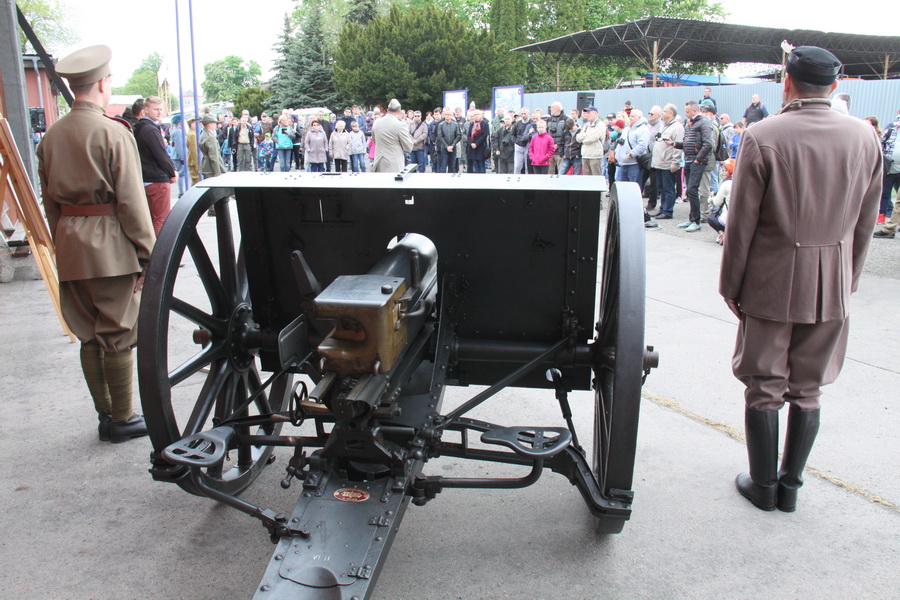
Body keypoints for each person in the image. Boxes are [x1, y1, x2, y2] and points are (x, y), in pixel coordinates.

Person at [720, 46, 882, 513]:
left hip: (771, 279)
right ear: (834, 87)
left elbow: (741, 224)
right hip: (832, 276)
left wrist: (732, 286)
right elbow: (866, 222)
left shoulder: (764, 134)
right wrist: (847, 278)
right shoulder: (864, 137)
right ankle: (790, 488)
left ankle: (764, 485)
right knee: (808, 385)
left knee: (764, 384)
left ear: (786, 83)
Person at [36, 45, 156, 443]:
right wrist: (149, 252)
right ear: (104, 82)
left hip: (70, 242)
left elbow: (50, 203)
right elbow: (131, 203)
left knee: (88, 332)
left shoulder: (51, 136)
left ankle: (105, 415)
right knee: (118, 331)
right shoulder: (111, 132)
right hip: (110, 248)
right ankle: (123, 418)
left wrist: (64, 242)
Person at [134, 95, 176, 236]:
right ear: (145, 110)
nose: (159, 112)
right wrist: (171, 172)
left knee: (153, 220)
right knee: (161, 220)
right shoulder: (150, 129)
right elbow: (161, 155)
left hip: (146, 177)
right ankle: (161, 255)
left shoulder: (140, 127)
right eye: (155, 109)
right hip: (157, 178)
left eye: (161, 109)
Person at [669, 100, 712, 232]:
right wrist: (675, 144)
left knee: (692, 190)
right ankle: (692, 218)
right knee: (690, 191)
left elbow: (708, 144)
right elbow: (687, 143)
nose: (685, 114)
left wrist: (698, 160)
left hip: (696, 161)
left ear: (695, 111)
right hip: (689, 160)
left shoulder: (703, 122)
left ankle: (696, 221)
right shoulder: (689, 124)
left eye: (687, 111)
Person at [650, 104, 684, 219]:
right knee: (661, 187)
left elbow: (677, 147)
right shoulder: (663, 126)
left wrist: (675, 162)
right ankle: (662, 208)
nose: (662, 113)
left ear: (671, 113)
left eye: (664, 111)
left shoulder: (677, 127)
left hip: (668, 163)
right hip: (659, 162)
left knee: (668, 188)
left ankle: (668, 211)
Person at [874, 115, 900, 238]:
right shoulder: (891, 131)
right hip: (890, 168)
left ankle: (890, 228)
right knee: (886, 193)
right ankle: (884, 219)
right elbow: (881, 146)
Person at [372, 99, 413, 173]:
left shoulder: (376, 123)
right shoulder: (401, 125)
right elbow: (408, 147)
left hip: (379, 162)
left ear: (387, 110)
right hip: (394, 164)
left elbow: (375, 141)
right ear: (399, 111)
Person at [707, 157, 734, 245]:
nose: (723, 172)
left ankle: (723, 234)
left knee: (711, 218)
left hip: (728, 220)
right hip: (744, 220)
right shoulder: (744, 181)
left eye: (725, 170)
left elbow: (717, 202)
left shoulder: (727, 183)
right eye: (722, 170)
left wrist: (711, 198)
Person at [576, 107, 606, 176]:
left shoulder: (600, 124)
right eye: (586, 113)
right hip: (585, 155)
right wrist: (585, 137)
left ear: (595, 113)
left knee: (596, 177)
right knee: (586, 178)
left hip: (595, 156)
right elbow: (578, 138)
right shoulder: (586, 125)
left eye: (589, 113)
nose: (587, 114)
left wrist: (584, 139)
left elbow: (593, 137)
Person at [199, 114, 226, 179]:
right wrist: (217, 171)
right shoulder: (210, 137)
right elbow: (214, 156)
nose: (215, 125)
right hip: (211, 168)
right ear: (209, 124)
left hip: (207, 166)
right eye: (214, 123)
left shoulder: (205, 134)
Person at [435, 108, 461, 173]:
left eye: (449, 114)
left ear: (451, 115)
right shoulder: (441, 125)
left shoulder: (455, 124)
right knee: (443, 165)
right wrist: (446, 146)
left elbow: (458, 136)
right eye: (446, 114)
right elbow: (440, 136)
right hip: (444, 147)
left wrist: (452, 145)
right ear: (444, 115)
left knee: (452, 165)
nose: (447, 116)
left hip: (453, 147)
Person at [169, 114, 186, 197]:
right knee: (181, 174)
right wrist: (183, 157)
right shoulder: (178, 132)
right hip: (178, 156)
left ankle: (181, 191)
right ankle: (181, 192)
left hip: (176, 155)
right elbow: (179, 145)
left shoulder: (174, 130)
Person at [185, 116, 200, 187]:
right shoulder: (192, 135)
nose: (199, 125)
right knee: (196, 181)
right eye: (196, 123)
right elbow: (193, 151)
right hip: (193, 161)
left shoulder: (193, 133)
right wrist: (197, 164)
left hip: (193, 161)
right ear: (192, 124)